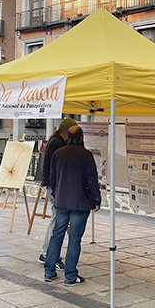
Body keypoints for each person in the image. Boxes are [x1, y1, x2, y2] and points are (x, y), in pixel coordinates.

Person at [44, 125, 101, 286]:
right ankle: (70, 275)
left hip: (61, 201)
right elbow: (92, 180)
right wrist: (97, 199)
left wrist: (56, 194)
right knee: (74, 239)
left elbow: (52, 178)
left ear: (67, 136)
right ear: (82, 138)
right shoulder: (86, 155)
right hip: (80, 203)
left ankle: (49, 271)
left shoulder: (58, 154)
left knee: (57, 236)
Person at [38, 118, 77, 269]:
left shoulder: (54, 141)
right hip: (55, 187)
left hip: (53, 186)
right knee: (56, 221)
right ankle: (48, 254)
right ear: (67, 131)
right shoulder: (57, 144)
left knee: (56, 220)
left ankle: (48, 253)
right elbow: (58, 168)